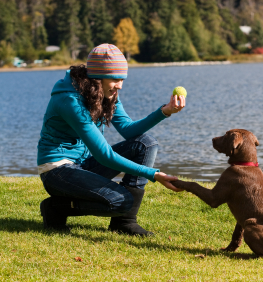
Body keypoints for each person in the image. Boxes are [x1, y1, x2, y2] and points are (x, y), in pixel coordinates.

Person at [37, 44, 185, 236]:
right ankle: (56, 208)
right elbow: (104, 155)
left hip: (82, 165)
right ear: (98, 77)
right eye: (115, 79)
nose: (120, 85)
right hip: (57, 171)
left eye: (122, 79)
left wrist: (165, 111)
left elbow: (128, 130)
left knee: (145, 143)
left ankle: (124, 222)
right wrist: (153, 174)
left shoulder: (105, 93)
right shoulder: (70, 100)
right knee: (121, 200)